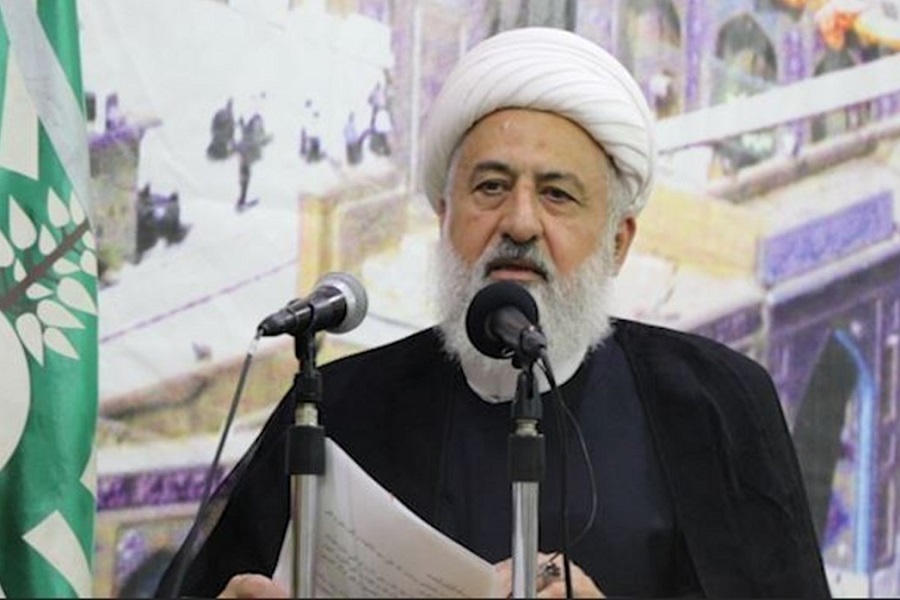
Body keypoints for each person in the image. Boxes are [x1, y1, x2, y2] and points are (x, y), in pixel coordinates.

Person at [156, 27, 830, 598]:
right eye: (490, 187)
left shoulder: (715, 404)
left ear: (618, 243)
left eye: (558, 195)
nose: (520, 222)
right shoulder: (339, 409)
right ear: (445, 217)